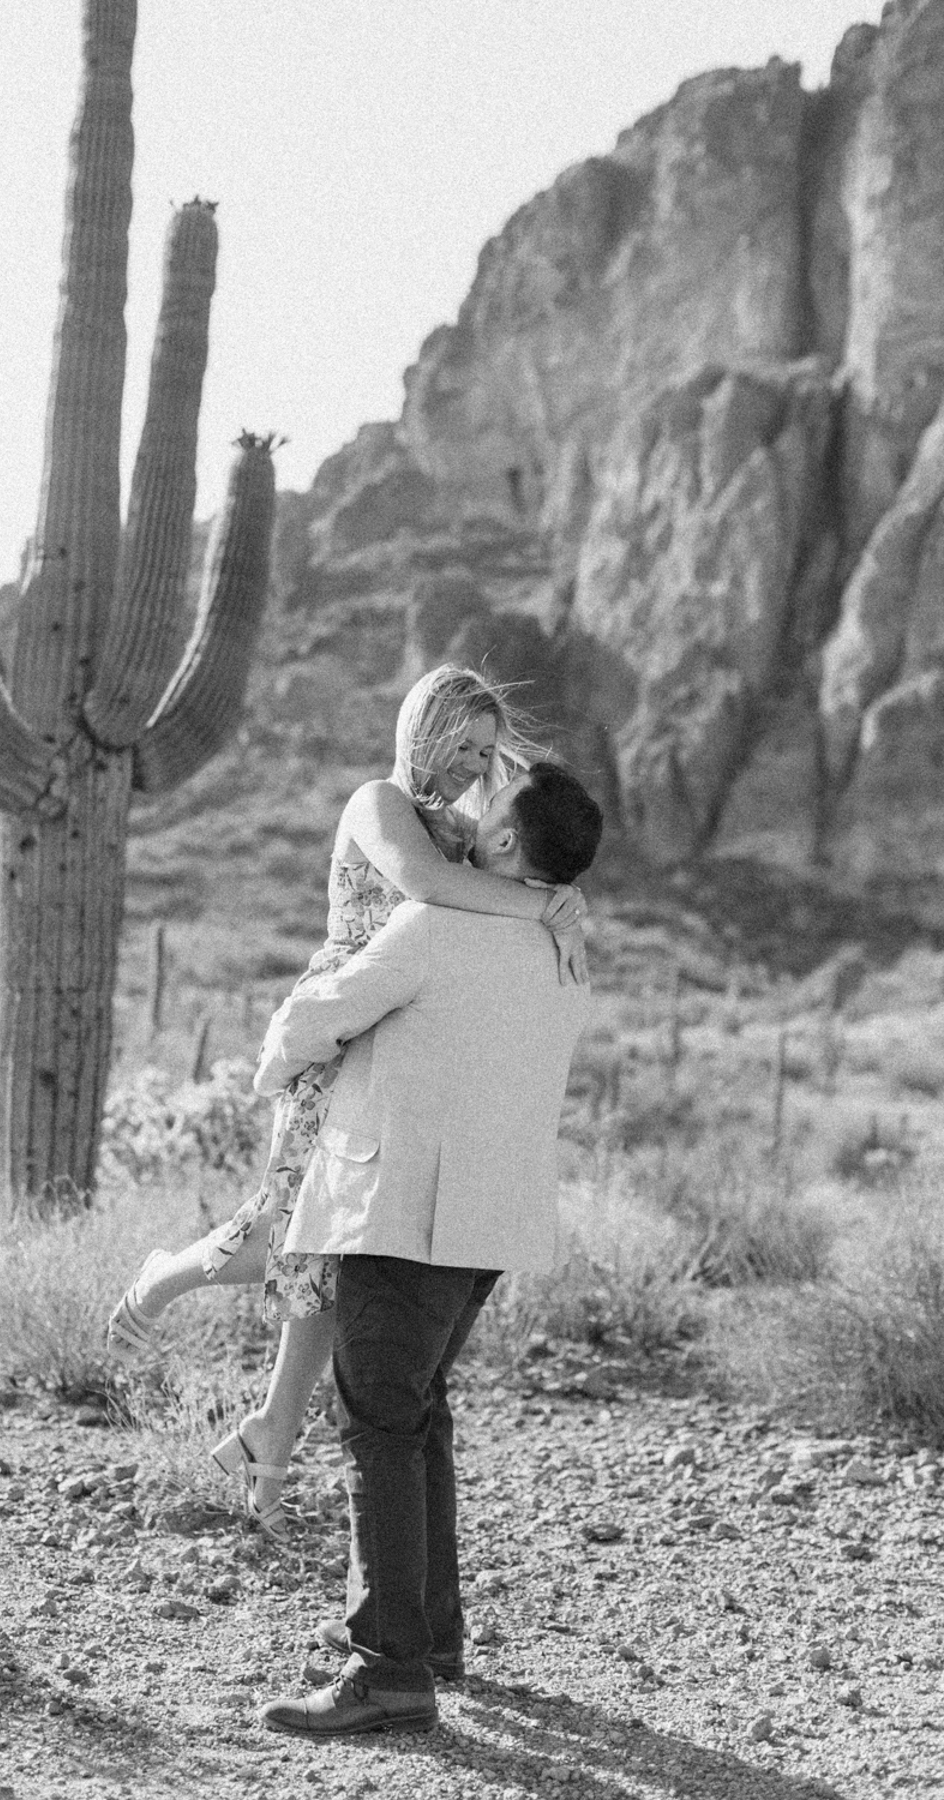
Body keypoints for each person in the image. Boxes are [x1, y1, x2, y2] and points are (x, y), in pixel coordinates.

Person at [106, 665, 587, 1542]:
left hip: (398, 1029)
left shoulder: (468, 836)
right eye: (462, 745)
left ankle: (269, 1435)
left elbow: (484, 895)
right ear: (423, 732)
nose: (472, 765)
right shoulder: (382, 806)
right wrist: (547, 904)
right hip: (338, 1028)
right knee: (293, 1231)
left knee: (333, 1250)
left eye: (487, 752)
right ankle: (165, 1279)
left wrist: (546, 898)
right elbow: (429, 893)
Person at [252, 760, 602, 1737]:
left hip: (398, 1210)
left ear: (500, 846)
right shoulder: (567, 951)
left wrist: (277, 1065)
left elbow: (319, 1018)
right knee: (418, 1417)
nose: (474, 810)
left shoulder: (437, 926)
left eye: (491, 807)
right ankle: (428, 1635)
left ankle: (390, 1669)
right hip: (487, 1223)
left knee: (376, 1428)